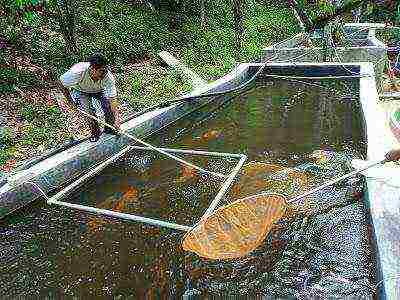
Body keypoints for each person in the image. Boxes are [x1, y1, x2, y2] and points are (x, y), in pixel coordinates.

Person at [57, 53, 121, 142]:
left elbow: (113, 99)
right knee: (88, 112)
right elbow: (61, 83)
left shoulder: (107, 76)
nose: (104, 74)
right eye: (101, 71)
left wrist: (117, 119)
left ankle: (109, 129)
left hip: (99, 90)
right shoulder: (77, 72)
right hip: (81, 90)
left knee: (108, 106)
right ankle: (95, 133)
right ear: (92, 69)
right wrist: (70, 101)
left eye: (105, 70)